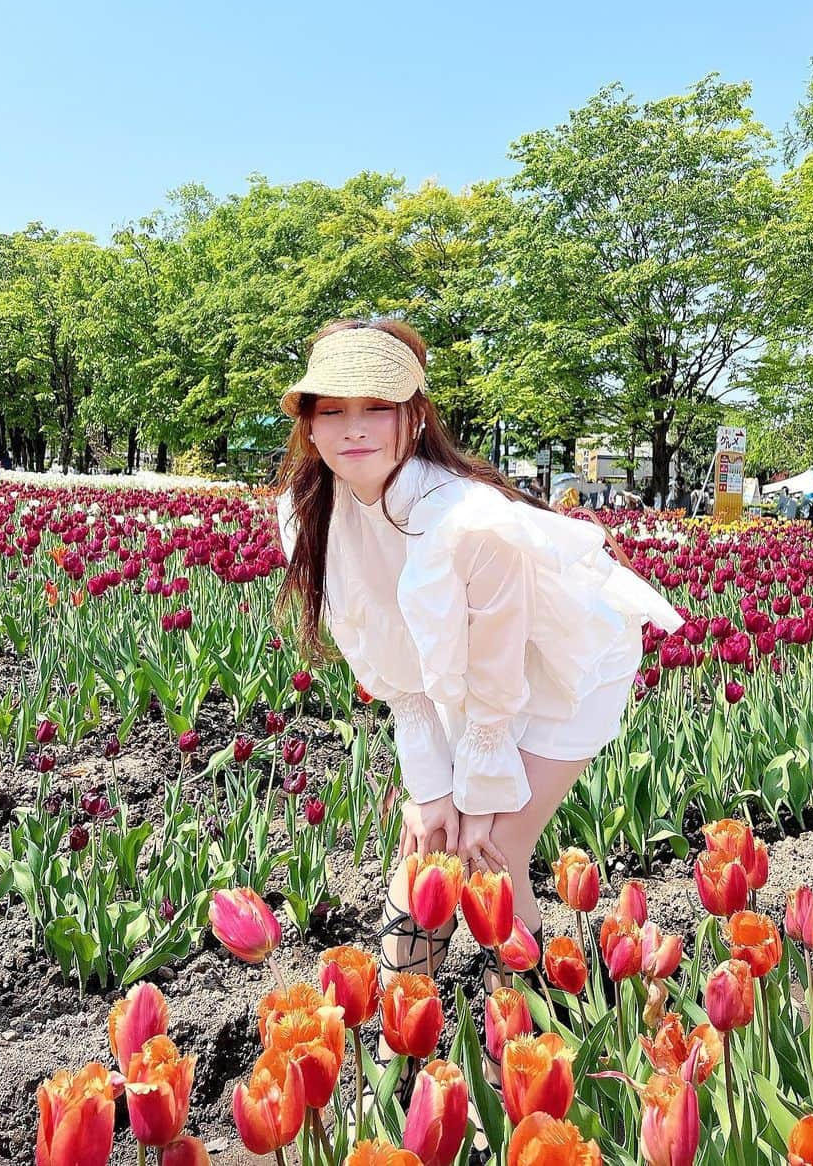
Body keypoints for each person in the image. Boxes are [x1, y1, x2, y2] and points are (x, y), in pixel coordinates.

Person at [272, 318, 683, 1083]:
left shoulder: (468, 519)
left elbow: (497, 674)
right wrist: (431, 792)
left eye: (378, 406)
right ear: (307, 421)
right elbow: (399, 673)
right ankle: (400, 1070)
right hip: (457, 684)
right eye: (331, 409)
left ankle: (527, 1072)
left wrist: (480, 796)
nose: (353, 427)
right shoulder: (312, 512)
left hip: (561, 676)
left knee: (491, 858)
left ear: (416, 414)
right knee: (427, 851)